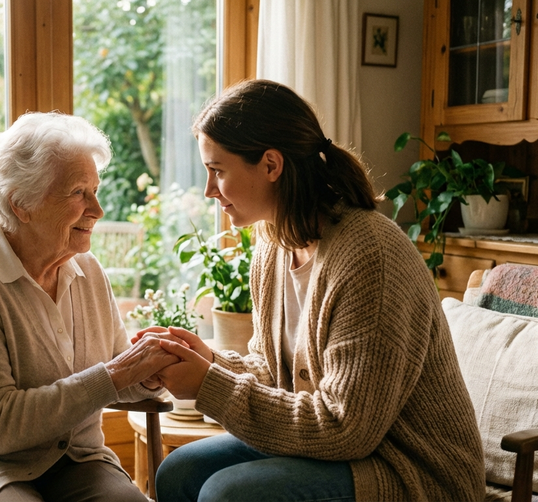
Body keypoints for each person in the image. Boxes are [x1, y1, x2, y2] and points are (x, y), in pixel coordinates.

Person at [142, 80, 485, 502]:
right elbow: (274, 375)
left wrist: (208, 384)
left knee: (227, 494)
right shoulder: (272, 246)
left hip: (410, 470)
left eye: (218, 171)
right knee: (179, 472)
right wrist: (208, 360)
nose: (210, 190)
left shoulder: (370, 255)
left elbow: (346, 429)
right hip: (345, 452)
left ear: (271, 165)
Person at [0, 112, 178, 501]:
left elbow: (111, 374)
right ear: (21, 204)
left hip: (73, 461)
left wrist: (146, 371)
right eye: (79, 192)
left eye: (95, 190)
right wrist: (117, 373)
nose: (97, 209)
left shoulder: (88, 270)